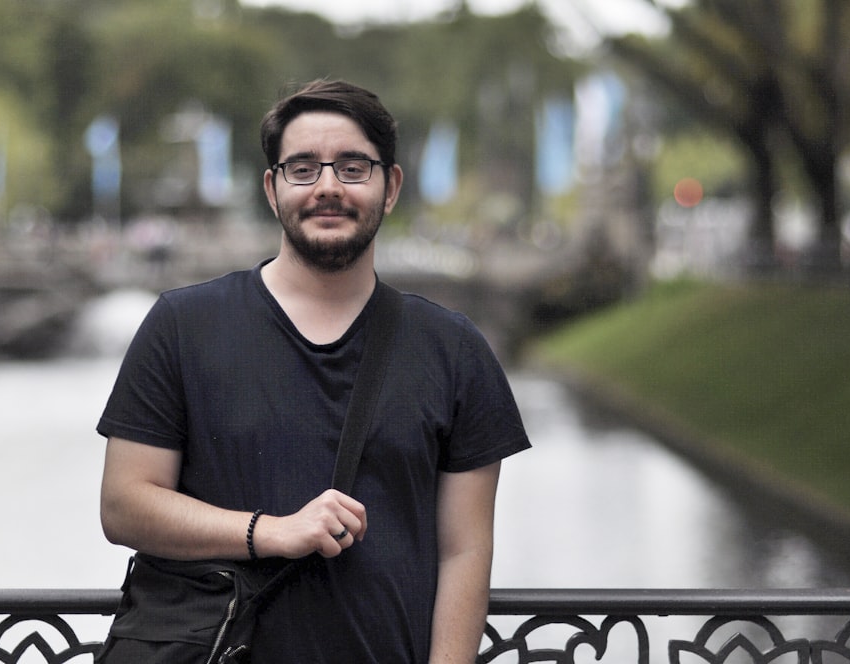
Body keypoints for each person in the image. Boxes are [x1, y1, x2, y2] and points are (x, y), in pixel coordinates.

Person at [95, 78, 531, 662]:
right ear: (272, 189)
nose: (327, 187)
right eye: (303, 169)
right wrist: (269, 531)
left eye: (353, 168)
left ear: (391, 186)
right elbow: (124, 504)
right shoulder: (181, 325)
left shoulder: (454, 349)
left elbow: (465, 551)